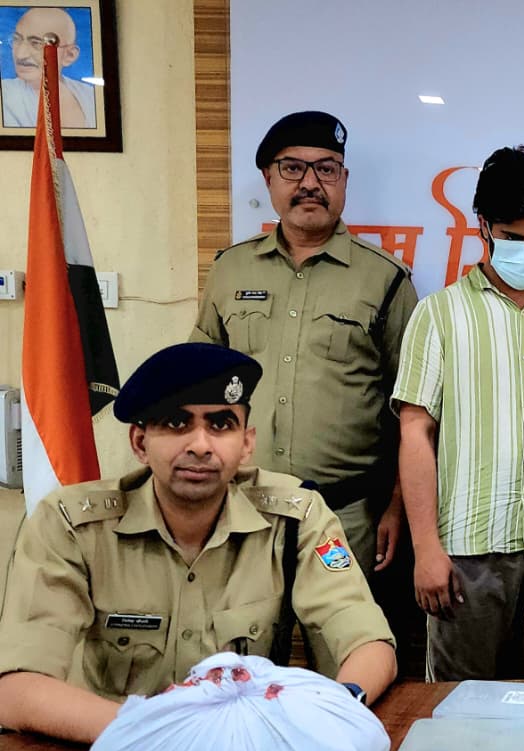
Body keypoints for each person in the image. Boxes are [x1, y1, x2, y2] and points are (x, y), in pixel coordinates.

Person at [0, 343, 398, 745]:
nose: (201, 445)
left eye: (221, 424)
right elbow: (17, 689)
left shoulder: (296, 516)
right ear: (140, 443)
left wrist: (339, 704)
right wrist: (161, 734)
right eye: (177, 423)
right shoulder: (72, 524)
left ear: (247, 443)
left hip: (247, 750)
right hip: (120, 749)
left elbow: (369, 643)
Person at [193, 111, 417, 676]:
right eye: (293, 168)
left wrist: (396, 506)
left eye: (327, 169)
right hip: (243, 509)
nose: (311, 183)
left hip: (348, 513)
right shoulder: (229, 270)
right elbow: (199, 390)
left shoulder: (385, 278)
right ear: (268, 178)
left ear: (344, 181)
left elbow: (410, 406)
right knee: (237, 669)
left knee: (349, 662)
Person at [393, 146, 524, 682]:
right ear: (483, 225)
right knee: (459, 708)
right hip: (466, 555)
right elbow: (415, 433)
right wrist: (426, 549)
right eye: (513, 237)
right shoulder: (439, 314)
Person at [1, 6, 96, 129]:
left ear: (69, 55)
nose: (20, 54)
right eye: (16, 39)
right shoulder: (5, 95)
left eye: (36, 43)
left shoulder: (91, 96)